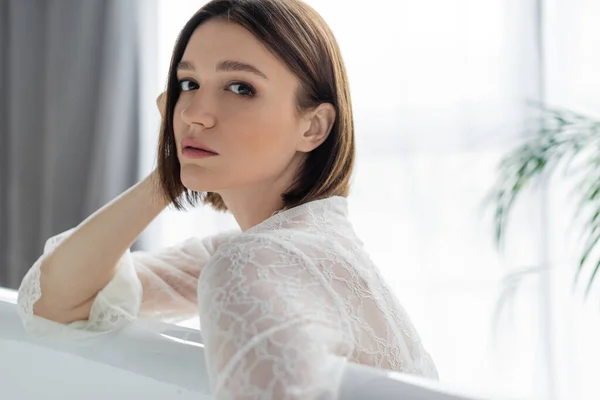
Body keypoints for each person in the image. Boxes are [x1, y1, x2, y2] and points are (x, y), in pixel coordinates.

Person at [17, 0, 438, 398]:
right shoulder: (286, 251)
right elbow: (54, 302)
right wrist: (170, 174)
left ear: (313, 128)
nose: (193, 114)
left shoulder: (257, 261)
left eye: (240, 87)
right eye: (189, 83)